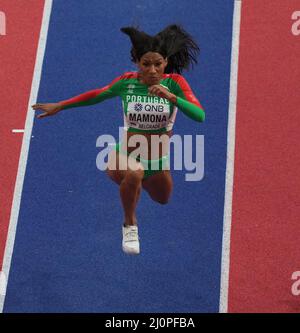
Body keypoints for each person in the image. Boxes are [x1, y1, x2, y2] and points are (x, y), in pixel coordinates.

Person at [32, 24, 205, 255]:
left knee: (162, 198)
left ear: (166, 61)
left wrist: (173, 97)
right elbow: (96, 95)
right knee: (134, 172)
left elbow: (199, 116)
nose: (153, 70)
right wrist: (61, 106)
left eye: (158, 64)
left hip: (158, 160)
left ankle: (133, 187)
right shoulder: (127, 82)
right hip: (125, 155)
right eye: (146, 64)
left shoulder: (174, 84)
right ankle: (130, 224)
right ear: (136, 63)